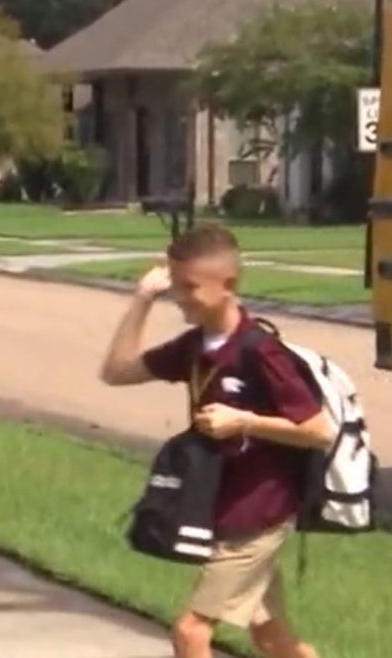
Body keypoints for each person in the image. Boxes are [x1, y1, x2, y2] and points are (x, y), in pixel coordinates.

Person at [99, 224, 333, 658]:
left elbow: (319, 430)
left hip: (258, 515)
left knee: (190, 633)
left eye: (189, 286)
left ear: (228, 284)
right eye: (174, 285)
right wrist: (142, 299)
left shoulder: (261, 351)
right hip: (224, 507)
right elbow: (116, 372)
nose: (179, 296)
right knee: (272, 638)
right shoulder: (195, 347)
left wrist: (243, 421)